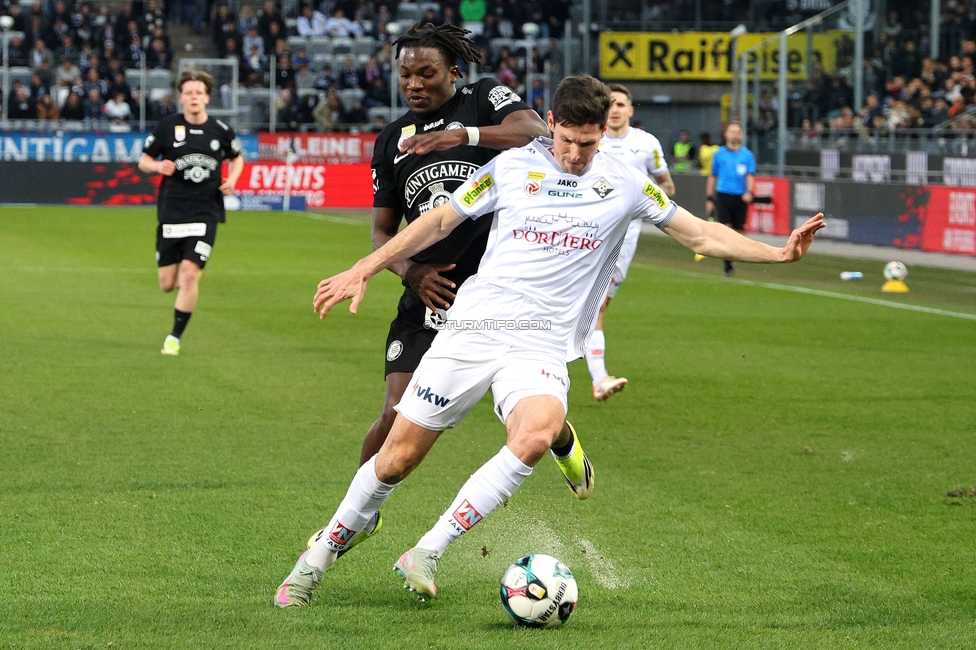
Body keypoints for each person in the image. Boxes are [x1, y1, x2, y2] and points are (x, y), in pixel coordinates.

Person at [275, 74, 825, 608]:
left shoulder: (627, 182)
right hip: (473, 328)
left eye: (589, 144)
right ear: (552, 123)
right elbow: (439, 221)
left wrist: (778, 252)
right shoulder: (511, 167)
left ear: (603, 134)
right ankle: (314, 561)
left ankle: (426, 551)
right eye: (567, 141)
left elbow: (699, 233)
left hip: (541, 344)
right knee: (396, 461)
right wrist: (365, 267)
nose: (577, 155)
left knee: (533, 434)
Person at [299, 22, 557, 556]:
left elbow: (535, 131)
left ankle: (560, 435)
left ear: (454, 73)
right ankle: (357, 514)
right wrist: (411, 272)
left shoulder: (483, 99)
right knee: (395, 412)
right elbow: (382, 232)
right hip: (427, 297)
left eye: (426, 73)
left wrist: (462, 136)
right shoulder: (391, 139)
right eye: (405, 75)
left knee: (521, 415)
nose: (414, 84)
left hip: (498, 300)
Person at [138, 70, 244, 356]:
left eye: (199, 92)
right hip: (172, 211)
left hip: (206, 211)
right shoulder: (167, 127)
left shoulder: (220, 129)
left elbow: (237, 158)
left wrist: (233, 180)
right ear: (181, 97)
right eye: (189, 93)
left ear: (207, 97)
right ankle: (186, 283)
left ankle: (174, 337)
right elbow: (144, 160)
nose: (194, 97)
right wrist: (157, 166)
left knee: (188, 275)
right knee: (167, 283)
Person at [584, 82, 676, 401]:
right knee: (594, 305)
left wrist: (645, 197)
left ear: (630, 110)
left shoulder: (646, 144)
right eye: (610, 103)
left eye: (621, 104)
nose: (615, 109)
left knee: (596, 305)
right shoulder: (591, 140)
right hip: (589, 231)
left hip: (626, 238)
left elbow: (667, 185)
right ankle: (598, 377)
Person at [705, 121, 756, 277]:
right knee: (725, 228)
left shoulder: (747, 155)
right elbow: (713, 176)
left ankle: (733, 256)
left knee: (739, 231)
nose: (735, 135)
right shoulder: (719, 154)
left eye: (737, 132)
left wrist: (749, 192)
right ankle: (728, 263)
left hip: (740, 196)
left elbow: (750, 175)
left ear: (741, 135)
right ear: (726, 134)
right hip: (723, 194)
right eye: (732, 131)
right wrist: (709, 198)